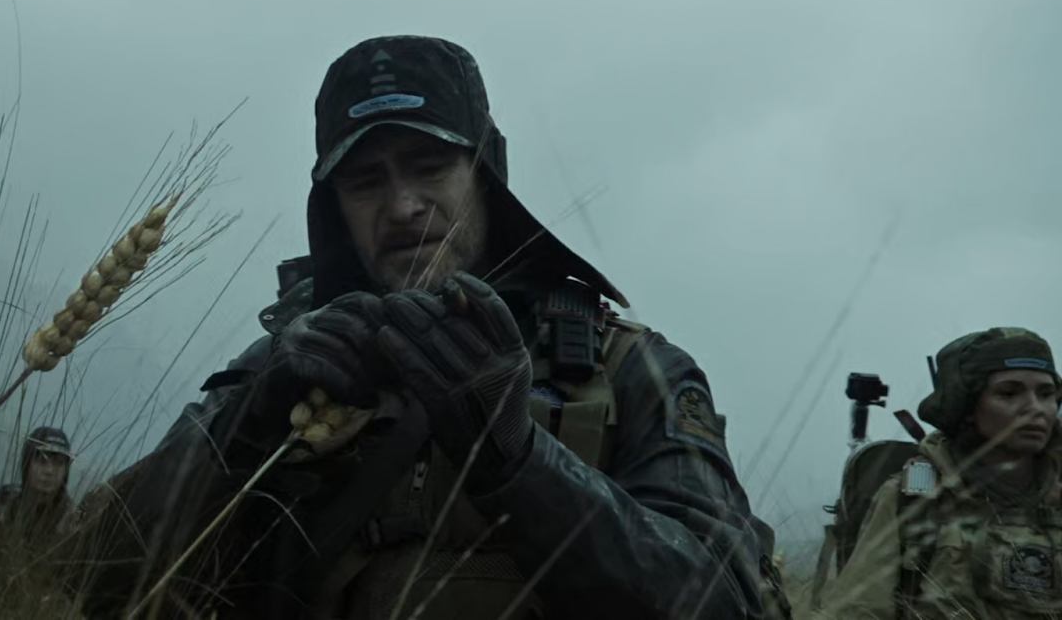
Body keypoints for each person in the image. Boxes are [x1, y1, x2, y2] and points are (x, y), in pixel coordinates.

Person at [71, 35, 785, 619]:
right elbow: (95, 583)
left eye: (430, 166)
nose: (403, 206)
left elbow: (725, 601)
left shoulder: (625, 368)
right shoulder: (281, 370)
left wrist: (520, 461)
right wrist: (246, 429)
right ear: (333, 208)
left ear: (485, 172)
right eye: (365, 181)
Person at [822, 327, 1062, 619]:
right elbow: (860, 611)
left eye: (1046, 394)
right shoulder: (914, 499)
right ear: (967, 406)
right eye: (1008, 393)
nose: (1035, 408)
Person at [0, 426, 76, 584]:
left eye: (59, 463)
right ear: (27, 464)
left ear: (66, 471)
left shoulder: (71, 523)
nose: (49, 471)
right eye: (42, 461)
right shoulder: (6, 511)